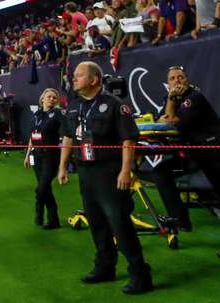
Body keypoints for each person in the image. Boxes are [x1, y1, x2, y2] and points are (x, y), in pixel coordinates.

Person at [58, 62, 152, 295]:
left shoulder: (115, 105)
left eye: (79, 75)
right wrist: (62, 167)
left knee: (119, 223)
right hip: (85, 173)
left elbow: (128, 141)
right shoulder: (74, 105)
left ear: (94, 79)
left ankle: (140, 274)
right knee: (96, 222)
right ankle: (105, 267)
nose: (74, 78)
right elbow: (68, 138)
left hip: (110, 172)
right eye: (74, 75)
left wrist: (125, 171)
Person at [155, 67, 220, 258]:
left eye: (181, 77)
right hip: (195, 151)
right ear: (168, 82)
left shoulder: (194, 98)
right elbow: (160, 120)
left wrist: (170, 105)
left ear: (187, 80)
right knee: (162, 172)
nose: (177, 81)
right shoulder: (169, 99)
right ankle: (180, 219)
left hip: (215, 150)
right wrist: (169, 107)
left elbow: (170, 120)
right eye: (172, 78)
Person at [24, 88, 63, 229]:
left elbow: (66, 134)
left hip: (50, 156)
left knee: (41, 188)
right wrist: (28, 154)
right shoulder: (37, 115)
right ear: (42, 99)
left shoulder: (58, 114)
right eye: (49, 96)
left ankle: (38, 211)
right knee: (45, 189)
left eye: (54, 97)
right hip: (36, 155)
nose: (51, 99)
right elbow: (33, 135)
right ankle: (54, 220)